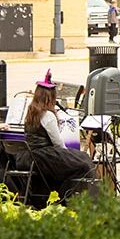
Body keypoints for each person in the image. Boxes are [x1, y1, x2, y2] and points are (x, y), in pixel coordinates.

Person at [23, 70, 97, 204]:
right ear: (51, 97)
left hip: (31, 156)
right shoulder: (48, 115)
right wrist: (68, 155)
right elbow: (58, 144)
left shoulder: (31, 112)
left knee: (77, 159)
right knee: (83, 161)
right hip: (45, 157)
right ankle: (83, 200)